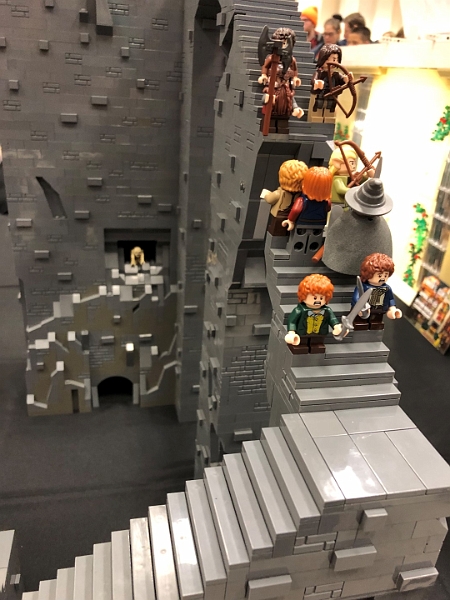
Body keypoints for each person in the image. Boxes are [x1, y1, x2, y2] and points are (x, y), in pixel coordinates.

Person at [285, 274, 343, 354]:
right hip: (302, 333)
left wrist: (336, 326)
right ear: (303, 296)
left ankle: (316, 346)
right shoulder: (299, 310)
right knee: (301, 344)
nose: (318, 301)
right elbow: (292, 321)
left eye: (321, 298)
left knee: (317, 344)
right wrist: (291, 332)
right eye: (314, 298)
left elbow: (332, 319)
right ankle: (302, 347)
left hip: (319, 333)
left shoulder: (327, 310)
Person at [352, 253, 402, 330]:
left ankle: (375, 326)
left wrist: (392, 309)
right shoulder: (363, 287)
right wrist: (360, 307)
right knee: (360, 322)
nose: (383, 278)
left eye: (385, 275)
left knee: (377, 322)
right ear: (369, 274)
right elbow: (356, 298)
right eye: (379, 275)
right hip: (364, 310)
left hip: (379, 309)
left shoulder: (387, 288)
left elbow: (391, 299)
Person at [308, 44, 348, 123]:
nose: (333, 62)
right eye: (328, 59)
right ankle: (316, 117)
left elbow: (342, 80)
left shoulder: (336, 75)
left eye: (335, 59)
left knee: (330, 106)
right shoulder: (319, 73)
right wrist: (316, 82)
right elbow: (313, 80)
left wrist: (346, 79)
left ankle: (329, 117)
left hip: (332, 95)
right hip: (320, 94)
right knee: (318, 105)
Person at [282, 166, 332, 230]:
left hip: (302, 223)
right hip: (320, 223)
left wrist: (290, 220)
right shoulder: (327, 202)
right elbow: (328, 209)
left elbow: (296, 210)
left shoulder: (301, 200)